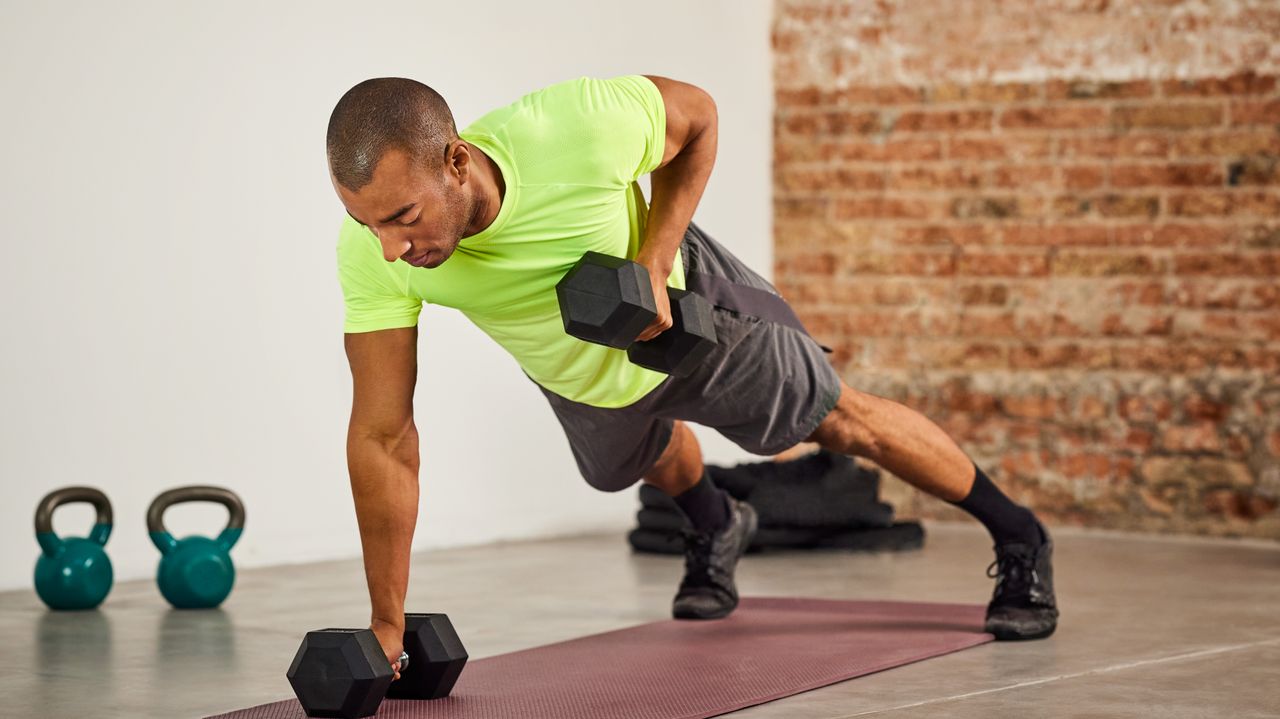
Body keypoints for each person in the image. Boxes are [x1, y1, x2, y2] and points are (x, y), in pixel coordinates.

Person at [325, 74, 1059, 679]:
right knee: (628, 464)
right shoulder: (373, 257)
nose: (390, 247)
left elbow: (700, 115)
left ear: (455, 162)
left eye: (403, 216)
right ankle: (717, 521)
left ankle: (1020, 534)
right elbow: (384, 434)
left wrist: (654, 256)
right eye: (367, 224)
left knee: (835, 417)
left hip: (687, 318)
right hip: (582, 377)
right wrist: (387, 621)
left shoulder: (571, 129)